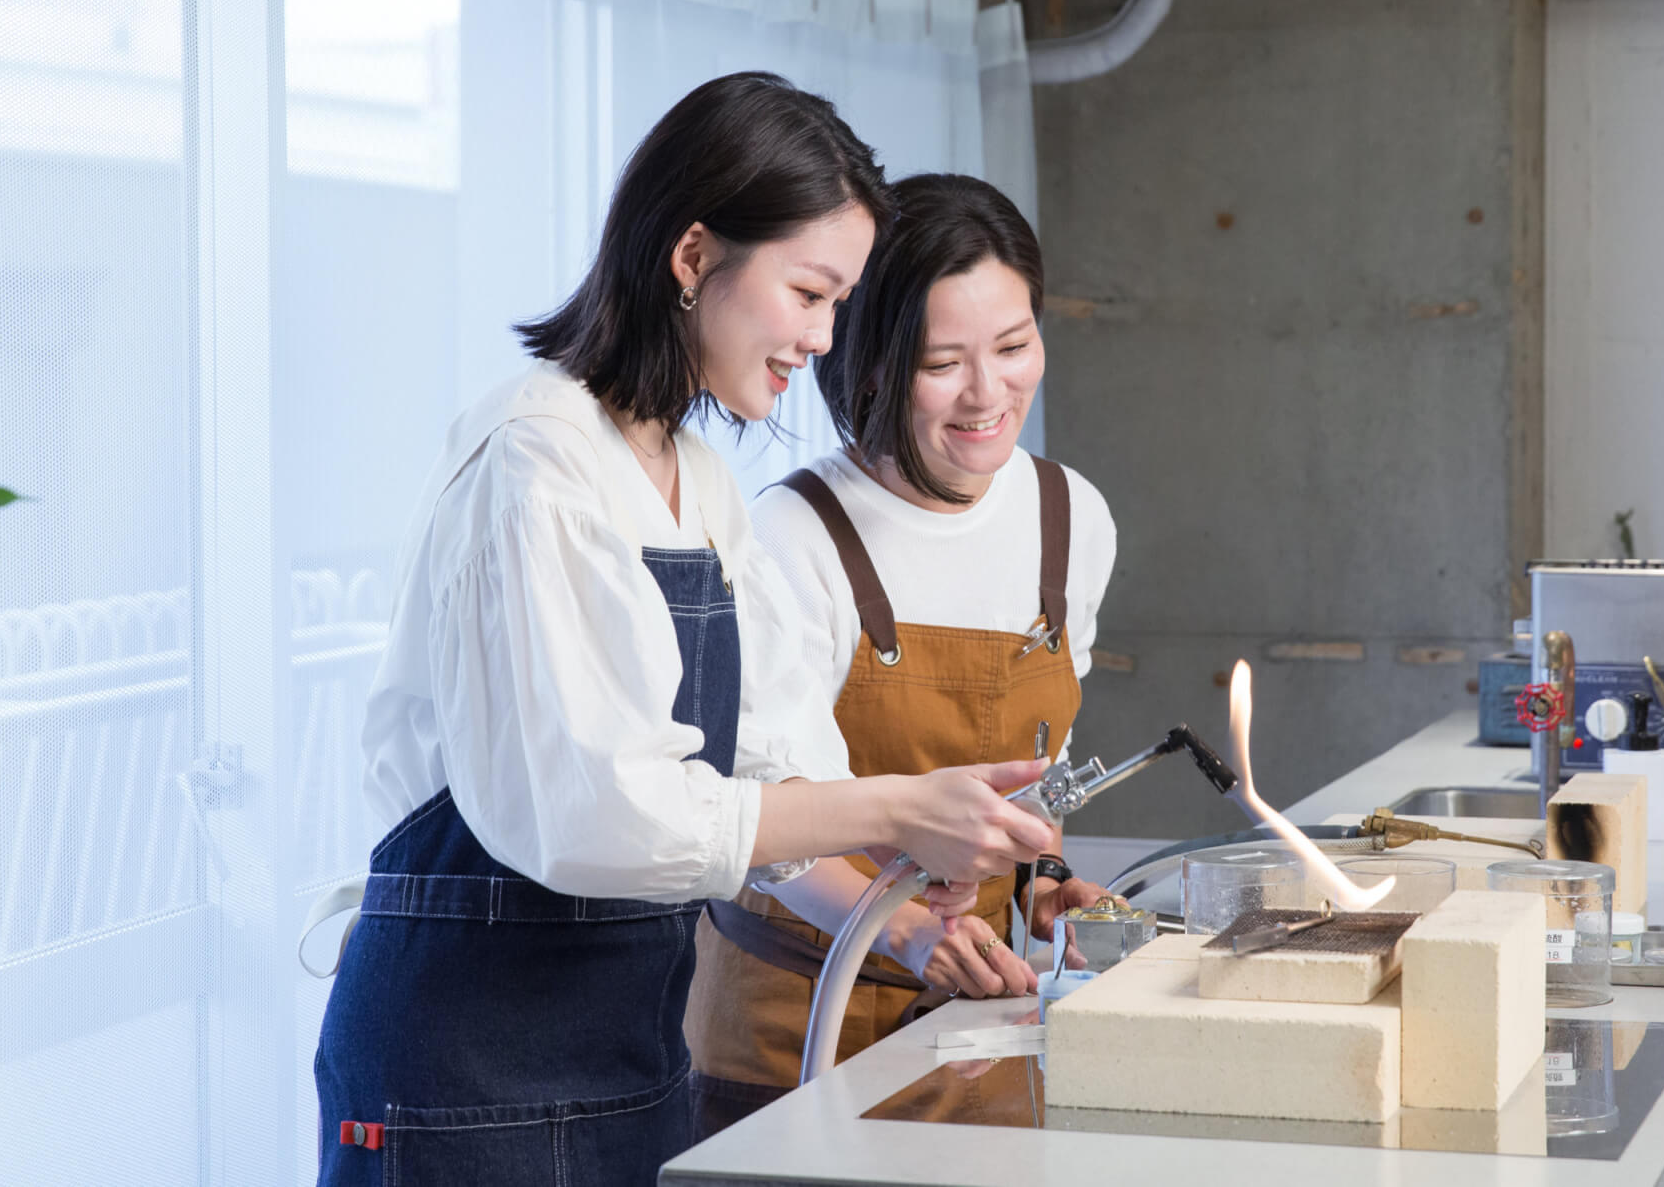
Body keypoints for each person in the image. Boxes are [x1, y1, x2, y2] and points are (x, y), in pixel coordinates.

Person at [312, 77, 1054, 1186]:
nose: (821, 337)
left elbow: (764, 766)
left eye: (838, 303)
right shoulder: (537, 464)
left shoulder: (696, 485)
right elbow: (601, 816)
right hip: (461, 1075)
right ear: (694, 255)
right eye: (808, 292)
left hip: (628, 1058)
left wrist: (898, 876)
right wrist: (897, 804)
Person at [683, 172, 1119, 1134]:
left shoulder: (1068, 517)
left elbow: (1025, 777)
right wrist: (914, 930)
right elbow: (756, 829)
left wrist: (1045, 885)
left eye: (1013, 347)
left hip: (973, 1027)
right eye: (943, 362)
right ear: (870, 362)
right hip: (793, 1028)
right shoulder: (793, 536)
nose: (988, 392)